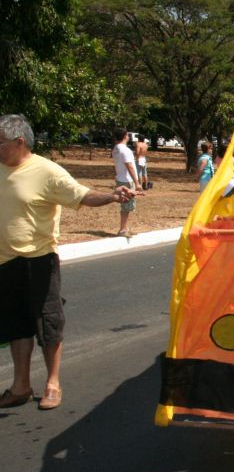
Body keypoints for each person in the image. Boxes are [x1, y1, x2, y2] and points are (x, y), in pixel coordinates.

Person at [0, 114, 136, 410]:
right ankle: (20, 385)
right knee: (16, 325)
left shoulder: (47, 172)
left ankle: (52, 383)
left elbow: (82, 195)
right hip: (5, 263)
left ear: (19, 142)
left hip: (39, 260)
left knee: (48, 324)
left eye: (0, 142)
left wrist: (113, 196)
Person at [112, 128, 143, 237]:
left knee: (125, 205)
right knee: (127, 205)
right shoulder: (125, 150)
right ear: (125, 136)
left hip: (120, 178)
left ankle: (125, 228)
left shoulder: (116, 149)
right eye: (127, 135)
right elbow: (129, 166)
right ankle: (123, 229)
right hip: (127, 180)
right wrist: (137, 182)